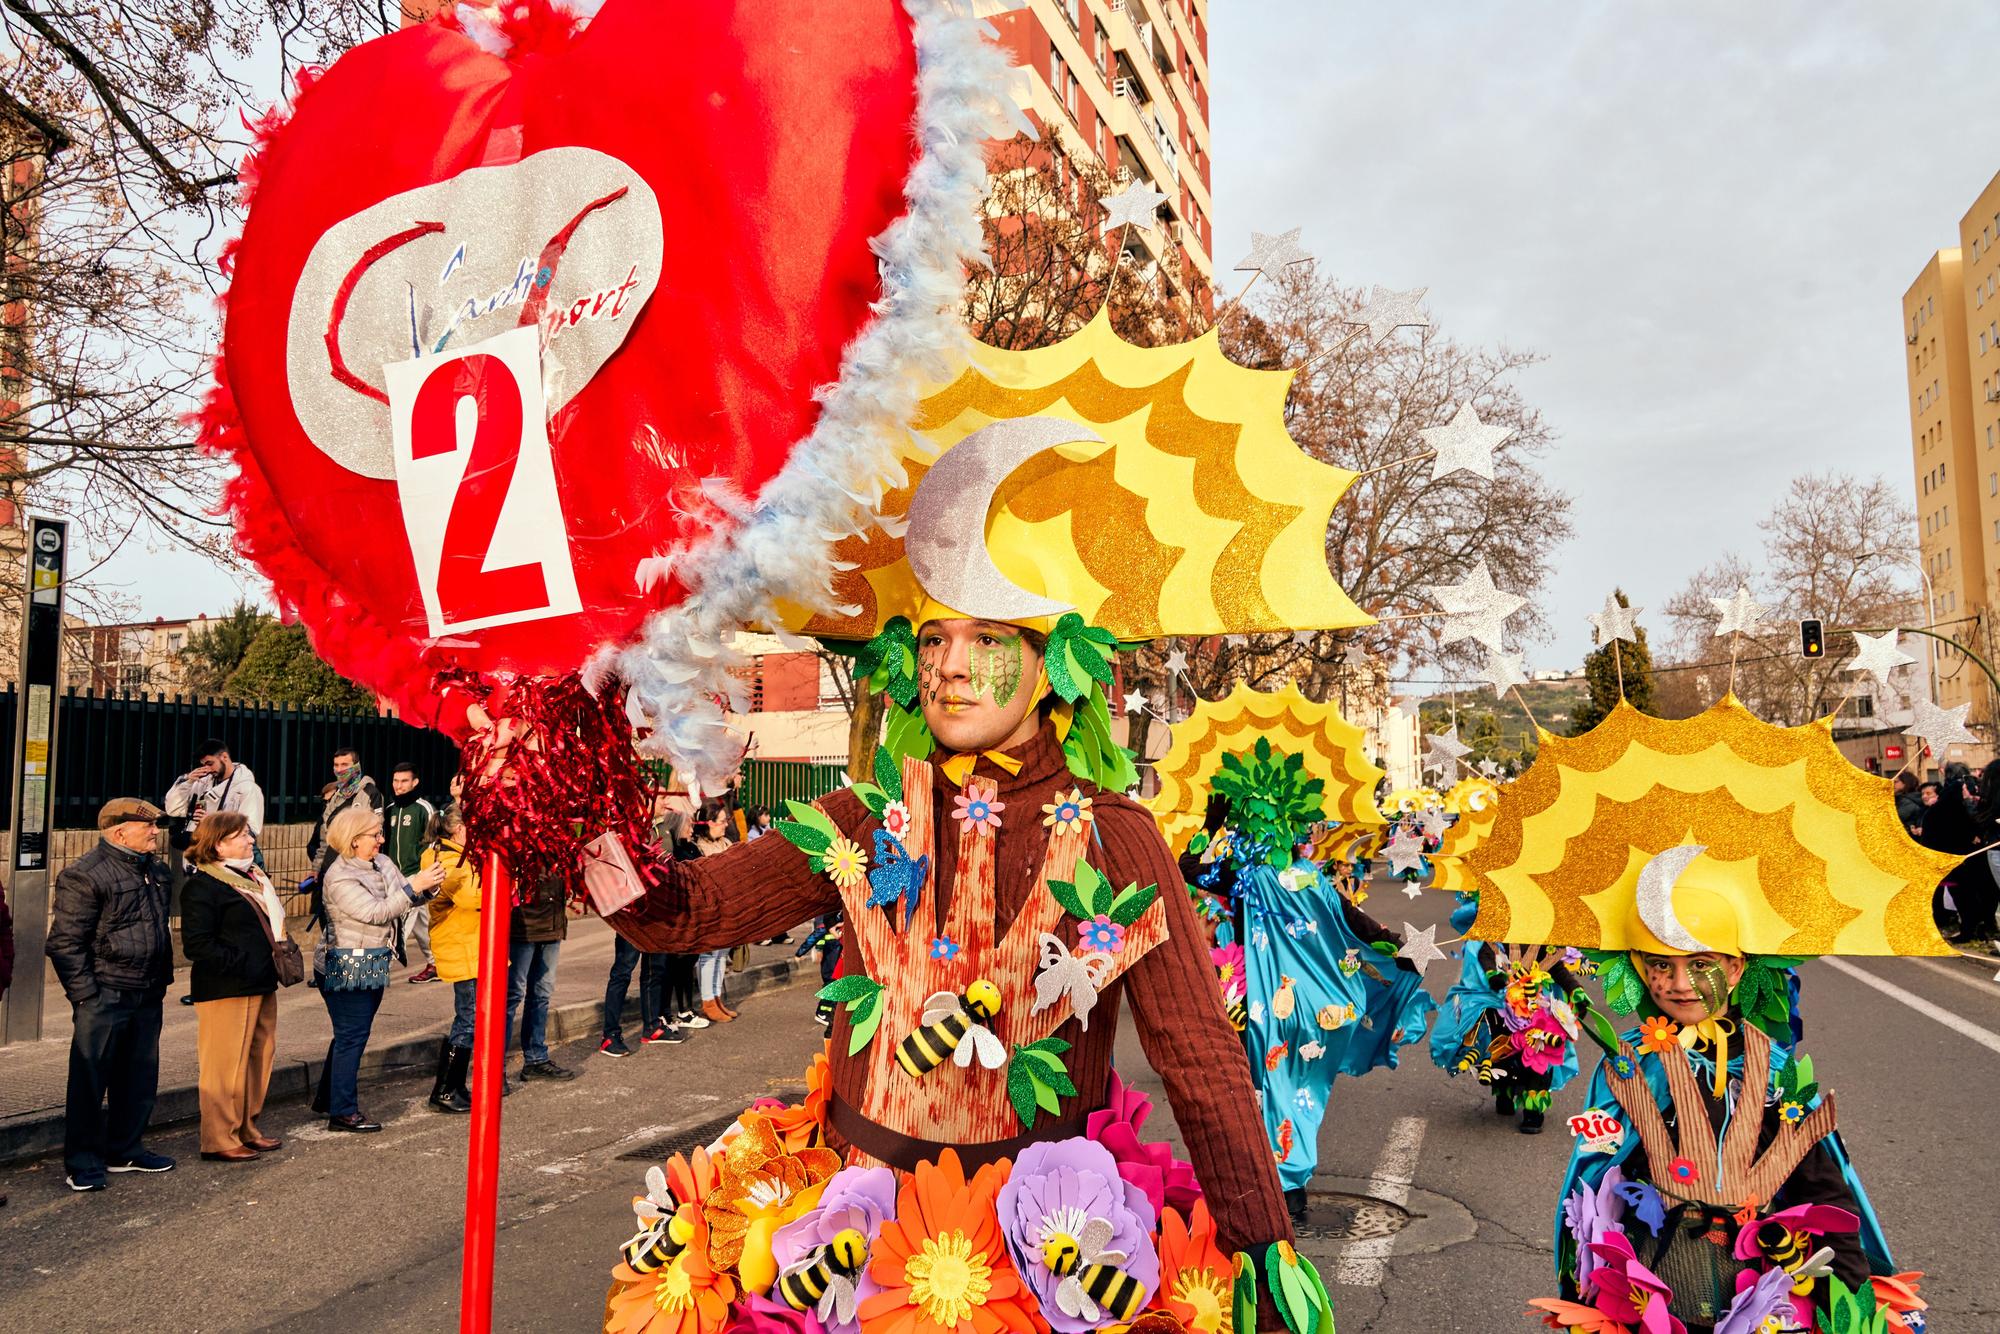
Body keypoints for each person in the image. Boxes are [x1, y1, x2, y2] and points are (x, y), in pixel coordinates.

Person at [45, 798, 177, 1191]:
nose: (155, 832)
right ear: (120, 832)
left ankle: (125, 1150)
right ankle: (83, 1162)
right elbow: (65, 943)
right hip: (105, 994)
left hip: (147, 991)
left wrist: (160, 980)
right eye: (147, 826)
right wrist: (86, 995)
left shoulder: (156, 870)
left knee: (139, 1077)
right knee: (90, 1080)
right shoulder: (85, 875)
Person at [313, 805, 444, 1131]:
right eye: (375, 835)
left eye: (380, 833)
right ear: (353, 840)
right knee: (352, 1036)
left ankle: (329, 1099)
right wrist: (414, 886)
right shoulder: (339, 875)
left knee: (350, 1034)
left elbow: (406, 896)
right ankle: (343, 1112)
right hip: (347, 960)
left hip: (372, 957)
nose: (381, 840)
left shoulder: (382, 862)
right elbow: (377, 912)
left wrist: (428, 885)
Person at [179, 811, 286, 1163]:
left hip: (260, 982)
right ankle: (219, 1138)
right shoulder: (204, 885)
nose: (250, 840)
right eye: (241, 835)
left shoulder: (252, 877)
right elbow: (197, 944)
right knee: (225, 1065)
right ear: (218, 844)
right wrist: (242, 962)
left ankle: (246, 1127)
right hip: (226, 987)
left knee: (258, 1057)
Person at [422, 805, 481, 1112]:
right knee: (468, 1018)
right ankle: (446, 1089)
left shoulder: (457, 855)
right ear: (459, 830)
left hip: (470, 943)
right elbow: (473, 897)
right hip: (462, 945)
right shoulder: (448, 859)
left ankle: (455, 1084)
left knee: (470, 1017)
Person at [505, 868, 577, 1082]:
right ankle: (495, 1068)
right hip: (523, 927)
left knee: (541, 995)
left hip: (552, 924)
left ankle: (536, 1059)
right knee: (511, 997)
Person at [163, 738, 266, 868]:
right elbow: (173, 809)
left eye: (210, 763)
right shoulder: (202, 782)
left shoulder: (248, 788)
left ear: (224, 757)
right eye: (203, 765)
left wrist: (211, 823)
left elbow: (249, 830)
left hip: (228, 860)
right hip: (199, 855)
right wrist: (188, 781)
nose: (207, 769)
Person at [382, 762, 439, 982]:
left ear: (415, 782)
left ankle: (381, 968)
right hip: (393, 875)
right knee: (422, 923)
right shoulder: (389, 809)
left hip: (416, 875)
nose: (399, 786)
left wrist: (424, 872)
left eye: (404, 781)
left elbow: (433, 842)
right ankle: (435, 963)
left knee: (400, 921)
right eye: (396, 781)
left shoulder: (424, 808)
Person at [688, 807, 738, 1024]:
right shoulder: (699, 847)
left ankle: (716, 998)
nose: (726, 824)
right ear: (708, 822)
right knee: (708, 955)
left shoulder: (726, 843)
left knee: (721, 954)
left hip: (727, 906)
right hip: (710, 908)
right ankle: (707, 1000)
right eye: (722, 820)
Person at [307, 747, 383, 882]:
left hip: (356, 872)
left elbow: (376, 833)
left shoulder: (370, 793)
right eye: (336, 765)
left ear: (356, 766)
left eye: (344, 765)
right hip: (330, 869)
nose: (339, 769)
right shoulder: (336, 796)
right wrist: (316, 868)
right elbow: (325, 838)